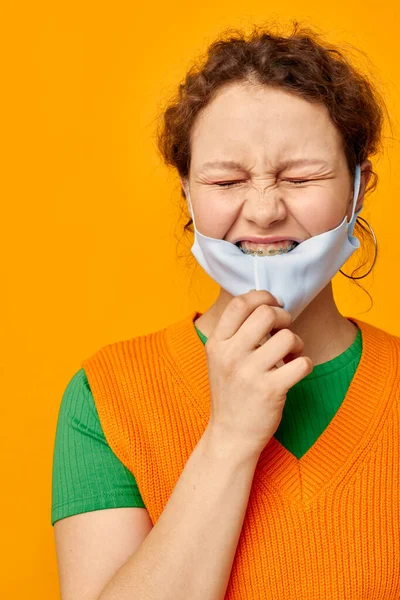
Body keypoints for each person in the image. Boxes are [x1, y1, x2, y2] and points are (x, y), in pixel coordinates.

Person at [52, 22, 400, 600]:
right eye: (227, 179)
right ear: (187, 192)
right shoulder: (105, 397)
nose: (263, 210)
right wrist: (230, 436)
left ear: (358, 188)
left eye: (301, 177)